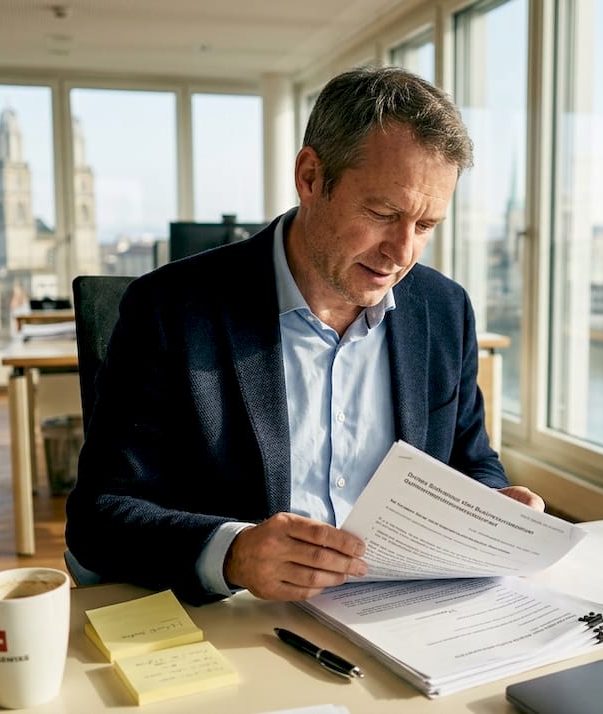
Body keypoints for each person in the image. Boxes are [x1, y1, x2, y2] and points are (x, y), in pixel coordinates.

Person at [65, 66, 543, 606]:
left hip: (406, 614)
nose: (403, 252)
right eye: (384, 213)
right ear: (311, 177)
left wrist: (494, 506)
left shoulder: (443, 309)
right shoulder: (170, 309)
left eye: (427, 225)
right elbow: (99, 515)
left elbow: (470, 458)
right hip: (242, 622)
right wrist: (234, 553)